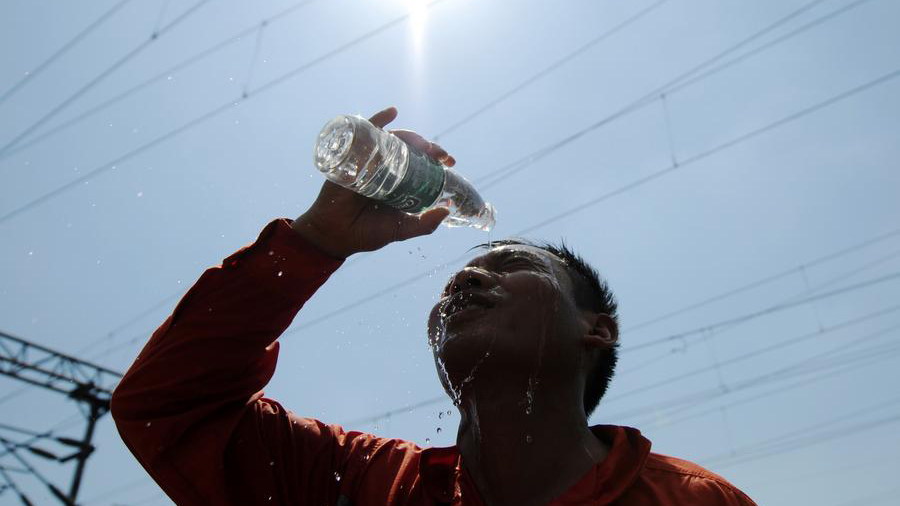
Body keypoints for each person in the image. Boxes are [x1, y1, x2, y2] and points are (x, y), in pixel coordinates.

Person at [111, 107, 757, 506]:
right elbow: (167, 407)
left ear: (597, 330)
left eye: (513, 266)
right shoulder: (358, 484)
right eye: (459, 277)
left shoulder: (694, 501)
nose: (465, 281)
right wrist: (315, 239)